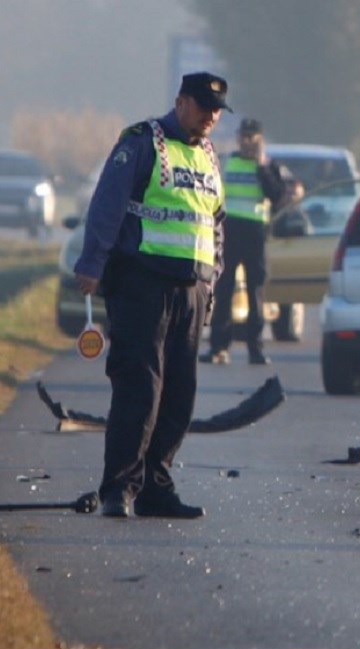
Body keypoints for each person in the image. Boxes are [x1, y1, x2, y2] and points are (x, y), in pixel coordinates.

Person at [73, 71, 231, 519]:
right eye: (203, 107)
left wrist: (212, 283)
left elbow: (215, 225)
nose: (210, 116)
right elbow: (108, 203)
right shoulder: (143, 141)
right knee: (140, 389)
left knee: (179, 395)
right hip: (142, 283)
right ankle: (118, 489)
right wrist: (92, 264)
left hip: (192, 291)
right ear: (180, 102)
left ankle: (156, 488)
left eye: (217, 110)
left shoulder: (209, 156)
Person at [201, 117, 295, 365]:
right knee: (223, 291)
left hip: (255, 235)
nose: (246, 142)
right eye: (243, 137)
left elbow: (276, 196)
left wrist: (262, 166)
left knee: (255, 293)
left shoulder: (268, 165)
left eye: (251, 138)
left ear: (259, 140)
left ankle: (256, 349)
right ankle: (218, 348)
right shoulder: (228, 162)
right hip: (229, 232)